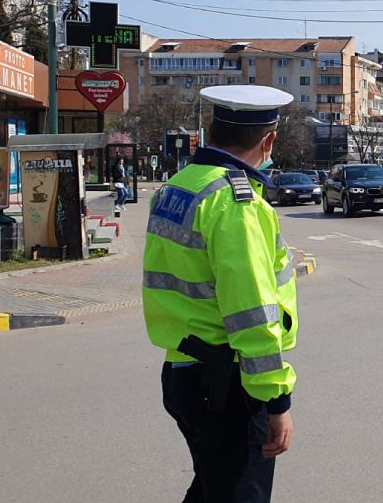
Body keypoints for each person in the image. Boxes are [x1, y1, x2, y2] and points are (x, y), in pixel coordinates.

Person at [143, 86, 299, 502]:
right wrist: (276, 400)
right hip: (228, 384)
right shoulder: (235, 204)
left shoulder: (176, 187)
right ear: (268, 141)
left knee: (213, 487)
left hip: (183, 372)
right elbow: (252, 312)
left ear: (211, 130)